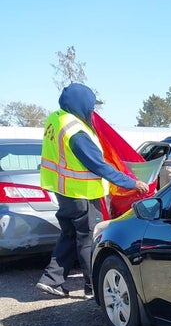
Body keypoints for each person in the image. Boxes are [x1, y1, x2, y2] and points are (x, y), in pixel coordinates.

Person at [36, 83, 149, 300]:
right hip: (82, 194)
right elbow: (98, 165)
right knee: (88, 239)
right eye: (91, 106)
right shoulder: (76, 130)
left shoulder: (56, 119)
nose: (92, 110)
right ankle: (93, 286)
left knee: (69, 235)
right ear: (82, 104)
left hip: (64, 191)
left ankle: (51, 280)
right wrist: (131, 183)